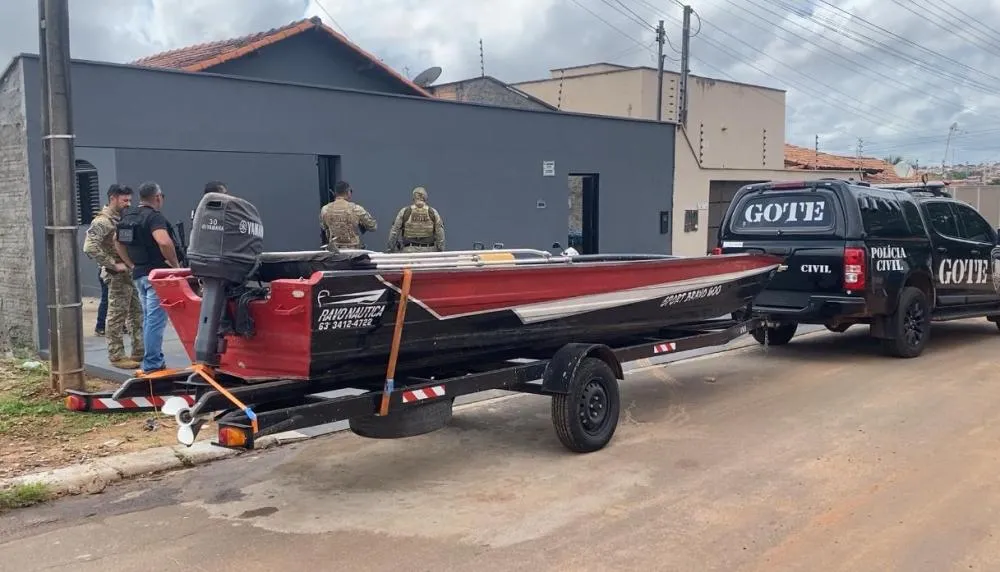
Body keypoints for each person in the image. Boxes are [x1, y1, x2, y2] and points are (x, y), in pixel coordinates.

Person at [114, 181, 180, 374]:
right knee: (155, 320)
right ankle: (152, 363)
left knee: (149, 319)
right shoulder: (154, 217)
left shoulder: (128, 216)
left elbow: (117, 242)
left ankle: (154, 358)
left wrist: (130, 264)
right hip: (157, 276)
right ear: (157, 197)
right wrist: (175, 265)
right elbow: (164, 241)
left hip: (139, 275)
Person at [83, 184, 144, 369]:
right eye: (124, 200)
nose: (128, 203)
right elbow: (89, 247)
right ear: (113, 198)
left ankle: (138, 351)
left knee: (136, 314)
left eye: (130, 200)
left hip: (128, 273)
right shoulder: (103, 221)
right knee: (116, 316)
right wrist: (112, 264)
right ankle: (116, 356)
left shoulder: (121, 218)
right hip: (116, 275)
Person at [319, 180, 376, 251]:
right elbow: (373, 226)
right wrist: (360, 223)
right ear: (348, 192)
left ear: (334, 193)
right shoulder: (356, 209)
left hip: (335, 251)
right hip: (353, 252)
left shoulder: (325, 209)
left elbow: (324, 228)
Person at [386, 186, 446, 253]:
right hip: (429, 251)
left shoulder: (404, 211)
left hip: (409, 251)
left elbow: (394, 232)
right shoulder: (433, 212)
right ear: (426, 198)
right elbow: (440, 233)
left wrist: (390, 249)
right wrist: (441, 250)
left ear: (413, 197)